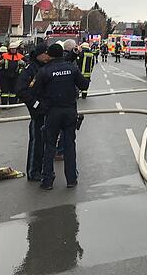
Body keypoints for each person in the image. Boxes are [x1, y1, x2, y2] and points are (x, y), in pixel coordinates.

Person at [31, 43, 89, 190]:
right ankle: (71, 179)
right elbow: (84, 85)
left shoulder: (45, 71)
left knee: (49, 146)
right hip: (69, 111)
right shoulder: (72, 68)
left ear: (49, 55)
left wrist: (43, 103)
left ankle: (47, 181)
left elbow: (35, 90)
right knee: (69, 145)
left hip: (52, 112)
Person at [15, 42, 51, 182]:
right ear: (39, 55)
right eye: (46, 53)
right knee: (37, 142)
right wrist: (35, 104)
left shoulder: (47, 66)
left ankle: (44, 168)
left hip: (49, 110)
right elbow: (21, 90)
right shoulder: (30, 69)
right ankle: (33, 171)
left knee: (48, 142)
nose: (48, 56)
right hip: (38, 112)